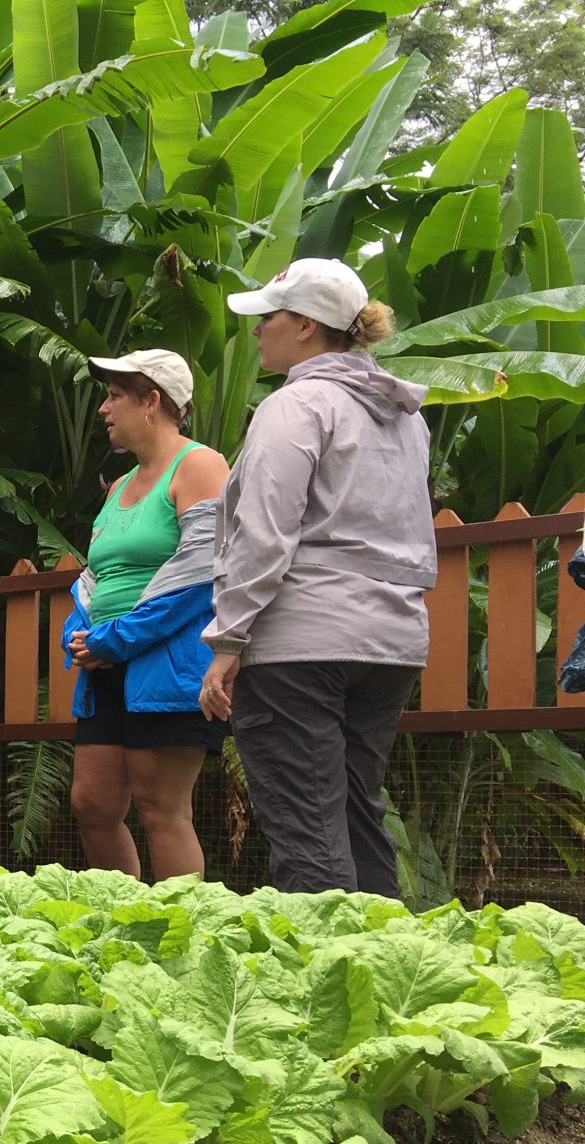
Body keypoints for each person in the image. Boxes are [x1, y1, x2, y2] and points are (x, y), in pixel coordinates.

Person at [200, 259, 436, 897]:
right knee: (360, 810)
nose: (256, 332)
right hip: (391, 640)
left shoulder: (295, 405)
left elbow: (264, 532)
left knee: (305, 821)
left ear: (305, 325)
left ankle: (327, 982)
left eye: (267, 318)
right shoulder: (405, 416)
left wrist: (228, 641)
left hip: (299, 642)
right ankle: (391, 973)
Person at [61, 349, 230, 881]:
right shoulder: (120, 485)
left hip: (167, 668)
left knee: (162, 808)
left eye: (114, 396)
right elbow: (96, 577)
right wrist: (80, 634)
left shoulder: (200, 465)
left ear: (152, 401)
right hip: (107, 666)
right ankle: (124, 919)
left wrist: (117, 640)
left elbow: (201, 574)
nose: (104, 409)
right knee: (92, 805)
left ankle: (181, 935)